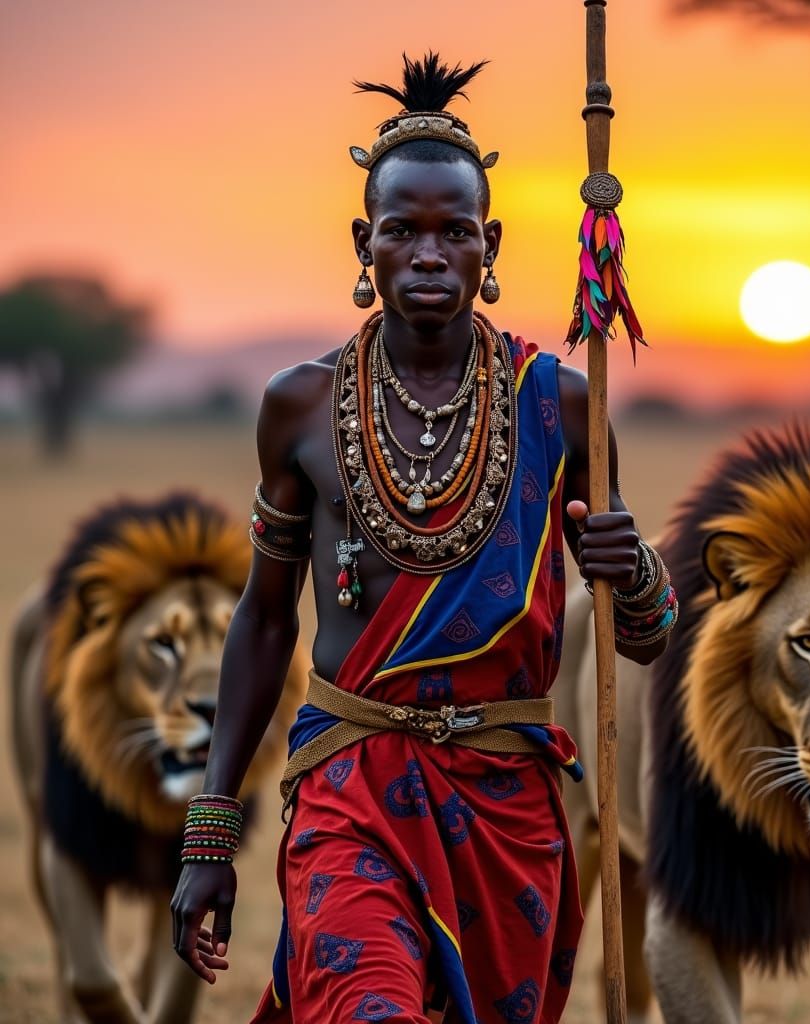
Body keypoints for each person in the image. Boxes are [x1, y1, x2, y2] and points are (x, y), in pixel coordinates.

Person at [170, 53, 677, 1024]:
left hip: (506, 813)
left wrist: (634, 571)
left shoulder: (563, 408)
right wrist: (210, 829)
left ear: (492, 244)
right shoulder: (301, 408)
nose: (430, 253)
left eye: (456, 233)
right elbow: (266, 622)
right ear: (365, 243)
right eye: (403, 231)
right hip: (350, 789)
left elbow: (642, 636)